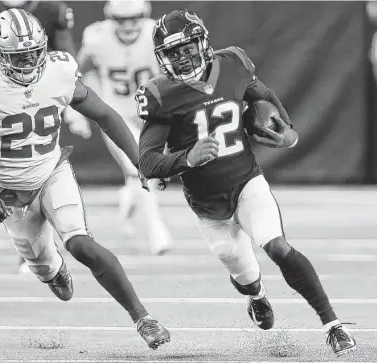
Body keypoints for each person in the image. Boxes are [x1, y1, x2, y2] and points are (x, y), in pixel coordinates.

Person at [136, 9, 356, 357]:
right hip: (208, 207)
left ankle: (333, 325)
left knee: (277, 246)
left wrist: (285, 126)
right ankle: (256, 295)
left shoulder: (233, 63)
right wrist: (184, 159)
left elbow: (261, 94)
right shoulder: (162, 94)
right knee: (243, 272)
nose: (181, 57)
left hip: (246, 183)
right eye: (172, 53)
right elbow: (146, 161)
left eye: (186, 48)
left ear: (202, 42)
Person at [0, 9, 170, 350]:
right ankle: (53, 270)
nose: (27, 63)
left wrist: (139, 159)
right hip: (8, 194)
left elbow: (107, 115)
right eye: (17, 57)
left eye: (33, 54)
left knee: (80, 243)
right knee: (54, 279)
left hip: (52, 172)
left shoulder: (59, 71)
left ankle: (143, 318)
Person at [0, 0, 91, 273]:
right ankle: (32, 248)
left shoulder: (50, 8)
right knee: (7, 175)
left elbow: (66, 54)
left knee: (43, 169)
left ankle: (41, 247)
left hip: (38, 95)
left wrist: (70, 99)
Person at [74, 0, 172, 255]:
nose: (128, 25)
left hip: (153, 113)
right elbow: (74, 72)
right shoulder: (98, 38)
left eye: (134, 18)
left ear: (144, 15)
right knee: (144, 167)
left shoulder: (157, 33)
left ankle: (128, 200)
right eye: (121, 19)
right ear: (110, 17)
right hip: (118, 117)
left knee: (139, 173)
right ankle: (156, 229)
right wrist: (77, 111)